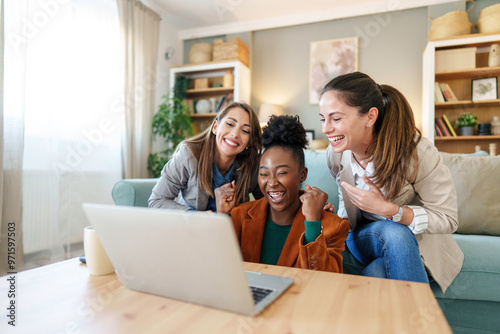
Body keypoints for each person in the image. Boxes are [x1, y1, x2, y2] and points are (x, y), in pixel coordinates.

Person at [319, 71, 463, 292]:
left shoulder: (416, 152)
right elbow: (346, 210)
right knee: (395, 233)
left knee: (379, 270)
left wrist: (393, 211)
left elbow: (448, 218)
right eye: (323, 119)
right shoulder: (335, 155)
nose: (326, 129)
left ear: (370, 116)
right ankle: (425, 324)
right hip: (363, 238)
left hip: (411, 246)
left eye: (336, 119)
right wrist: (329, 217)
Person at [216, 115, 349, 272]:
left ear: (302, 174)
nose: (272, 182)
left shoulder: (332, 226)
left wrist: (313, 223)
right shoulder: (239, 216)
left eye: (282, 173)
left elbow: (326, 282)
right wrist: (222, 217)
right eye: (264, 174)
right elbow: (217, 270)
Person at [148, 102, 262, 211]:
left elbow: (267, 205)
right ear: (215, 127)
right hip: (189, 226)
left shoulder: (253, 165)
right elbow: (156, 201)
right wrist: (198, 216)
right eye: (230, 124)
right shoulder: (188, 154)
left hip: (229, 229)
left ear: (249, 142)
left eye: (245, 131)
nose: (235, 134)